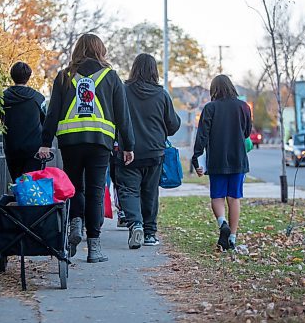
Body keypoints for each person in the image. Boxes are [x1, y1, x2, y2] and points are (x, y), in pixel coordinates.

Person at [38, 34, 135, 263]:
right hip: (100, 142)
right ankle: (94, 247)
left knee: (73, 187)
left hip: (70, 141)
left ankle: (75, 223)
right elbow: (123, 114)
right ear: (100, 50)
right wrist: (128, 146)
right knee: (95, 191)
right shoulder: (110, 76)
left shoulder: (64, 76)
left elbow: (53, 112)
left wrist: (45, 141)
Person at [116, 53, 181, 249]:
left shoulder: (123, 92)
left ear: (134, 69)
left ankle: (135, 223)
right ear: (154, 71)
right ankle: (150, 233)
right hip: (154, 152)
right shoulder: (162, 95)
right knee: (150, 192)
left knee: (128, 190)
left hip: (128, 151)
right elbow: (174, 125)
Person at [191, 74, 252, 251]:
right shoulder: (243, 107)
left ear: (214, 90)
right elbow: (247, 132)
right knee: (234, 198)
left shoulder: (210, 108)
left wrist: (196, 159)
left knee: (217, 197)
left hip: (217, 160)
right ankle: (232, 237)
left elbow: (202, 135)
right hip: (238, 159)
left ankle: (222, 223)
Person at [1, 61, 46, 182]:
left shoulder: (3, 98)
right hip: (34, 149)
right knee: (31, 184)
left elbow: (2, 120)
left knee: (17, 182)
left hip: (12, 147)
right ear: (29, 76)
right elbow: (45, 121)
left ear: (12, 75)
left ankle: (19, 200)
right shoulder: (38, 98)